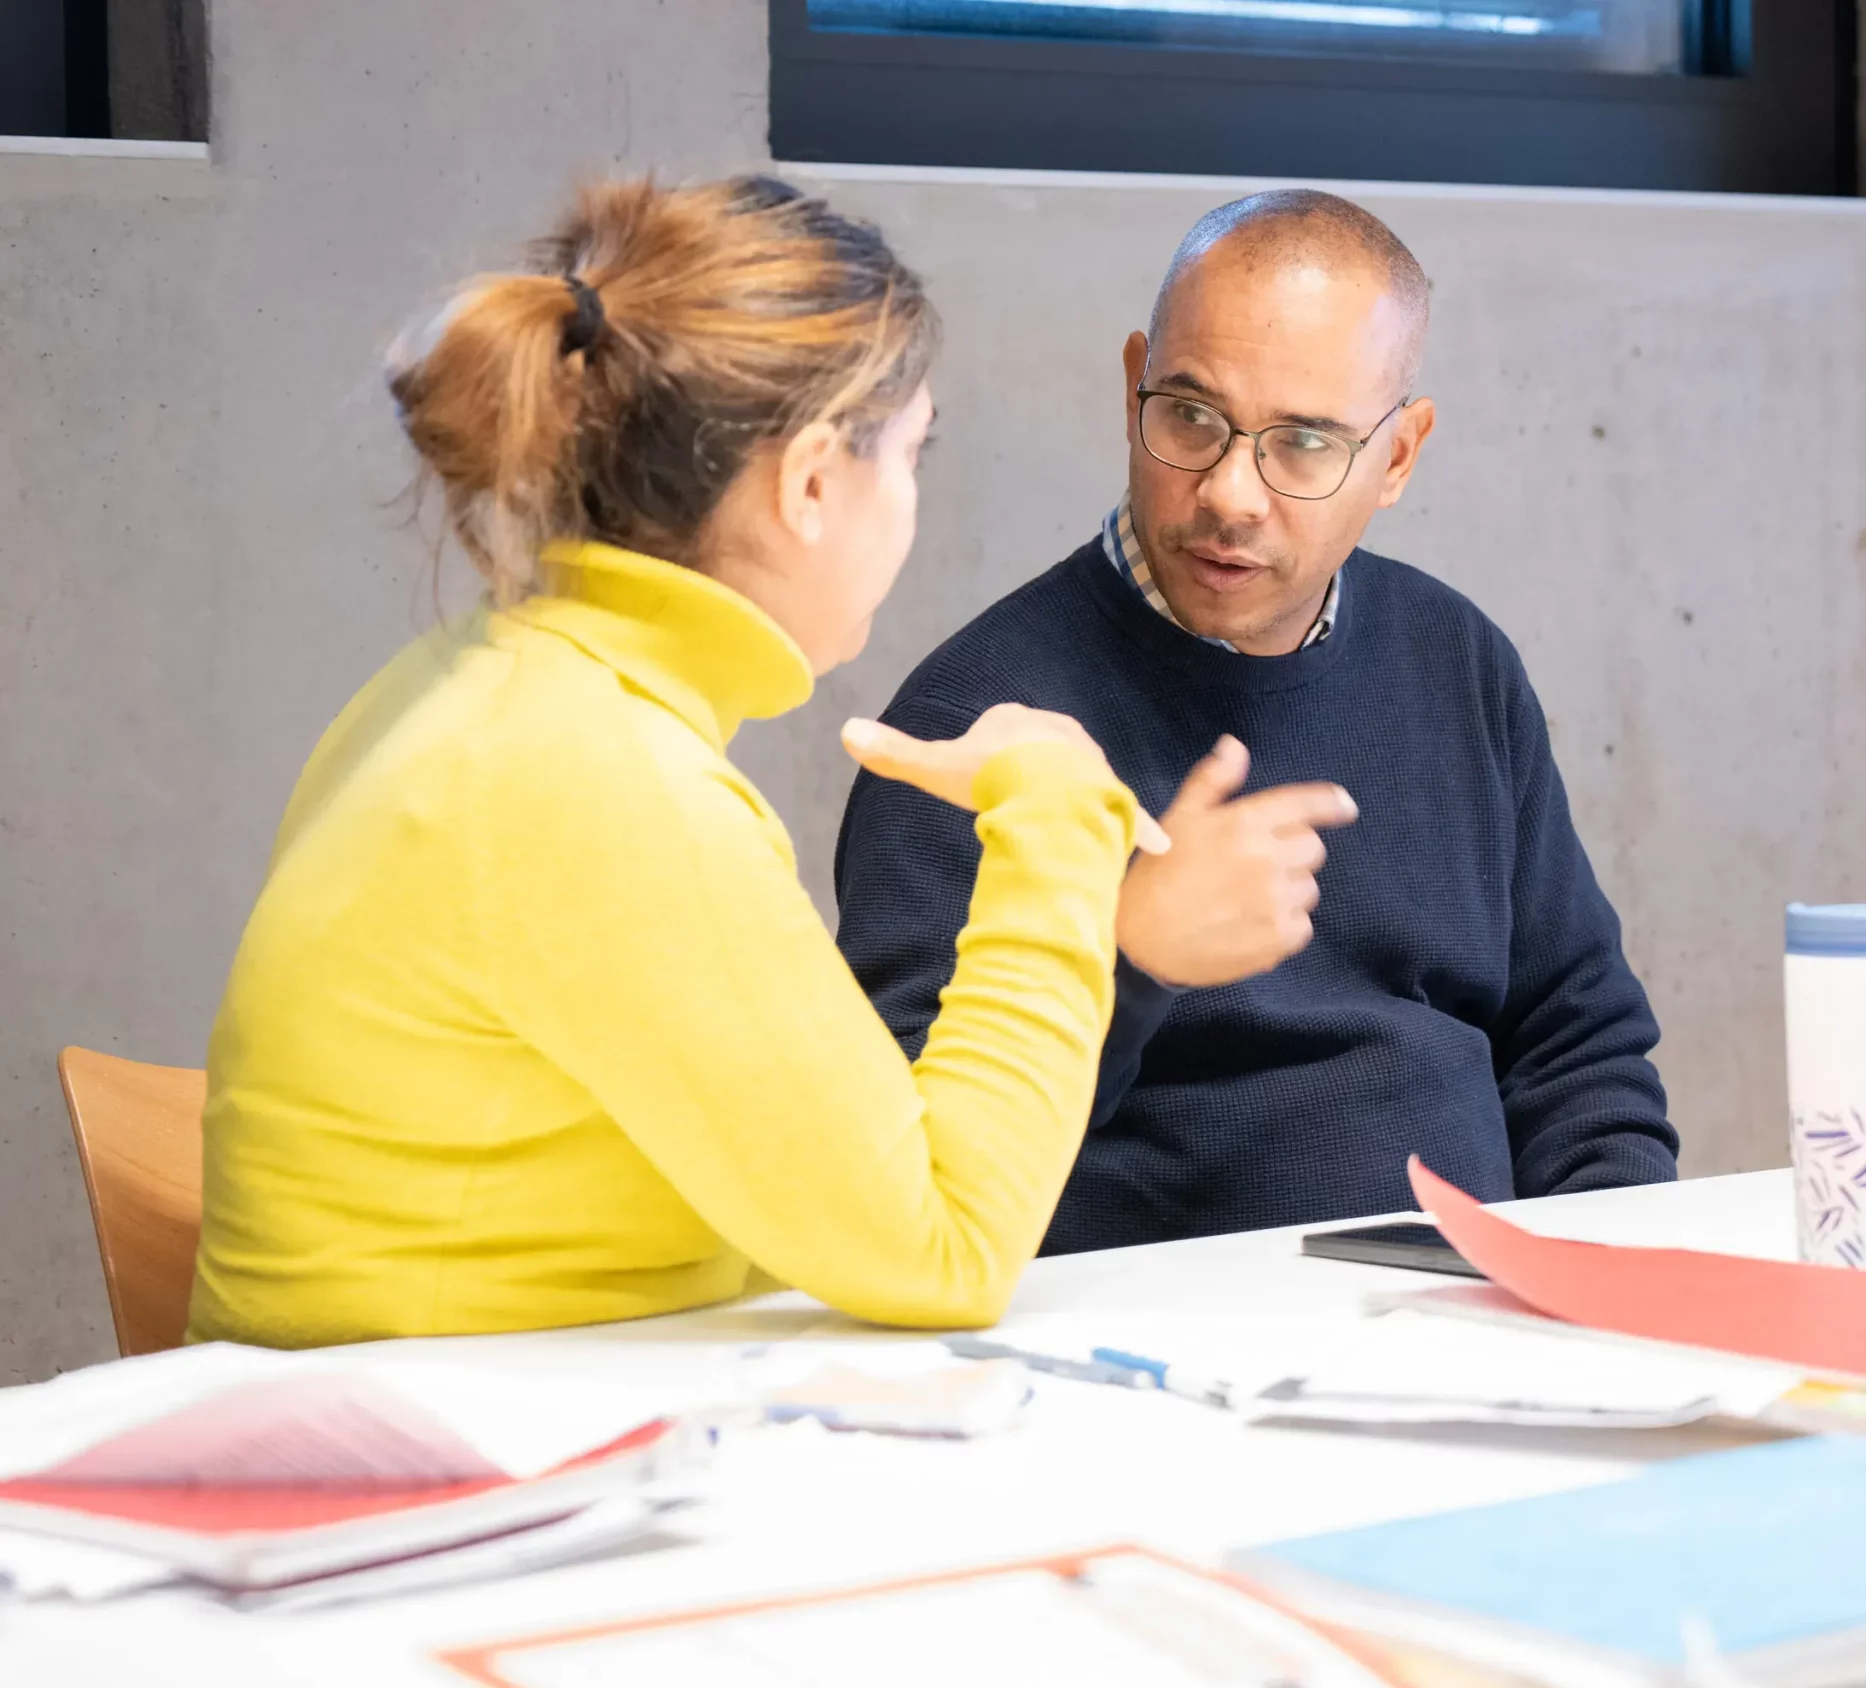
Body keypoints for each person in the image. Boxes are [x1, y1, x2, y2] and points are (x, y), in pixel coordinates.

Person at [190, 175, 1160, 1349]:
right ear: (810, 483)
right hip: (427, 1484)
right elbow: (948, 1249)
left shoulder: (478, 685)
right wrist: (1058, 817)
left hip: (437, 1431)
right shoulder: (604, 777)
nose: (910, 503)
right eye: (909, 455)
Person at [833, 190, 1679, 1254]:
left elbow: (1578, 1046)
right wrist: (1130, 959)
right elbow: (907, 1174)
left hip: (1474, 1326)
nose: (1232, 493)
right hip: (1143, 1358)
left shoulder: (1456, 664)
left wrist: (1609, 1279)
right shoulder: (974, 731)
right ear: (1131, 383)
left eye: (1304, 444)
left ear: (1399, 456)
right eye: (1188, 416)